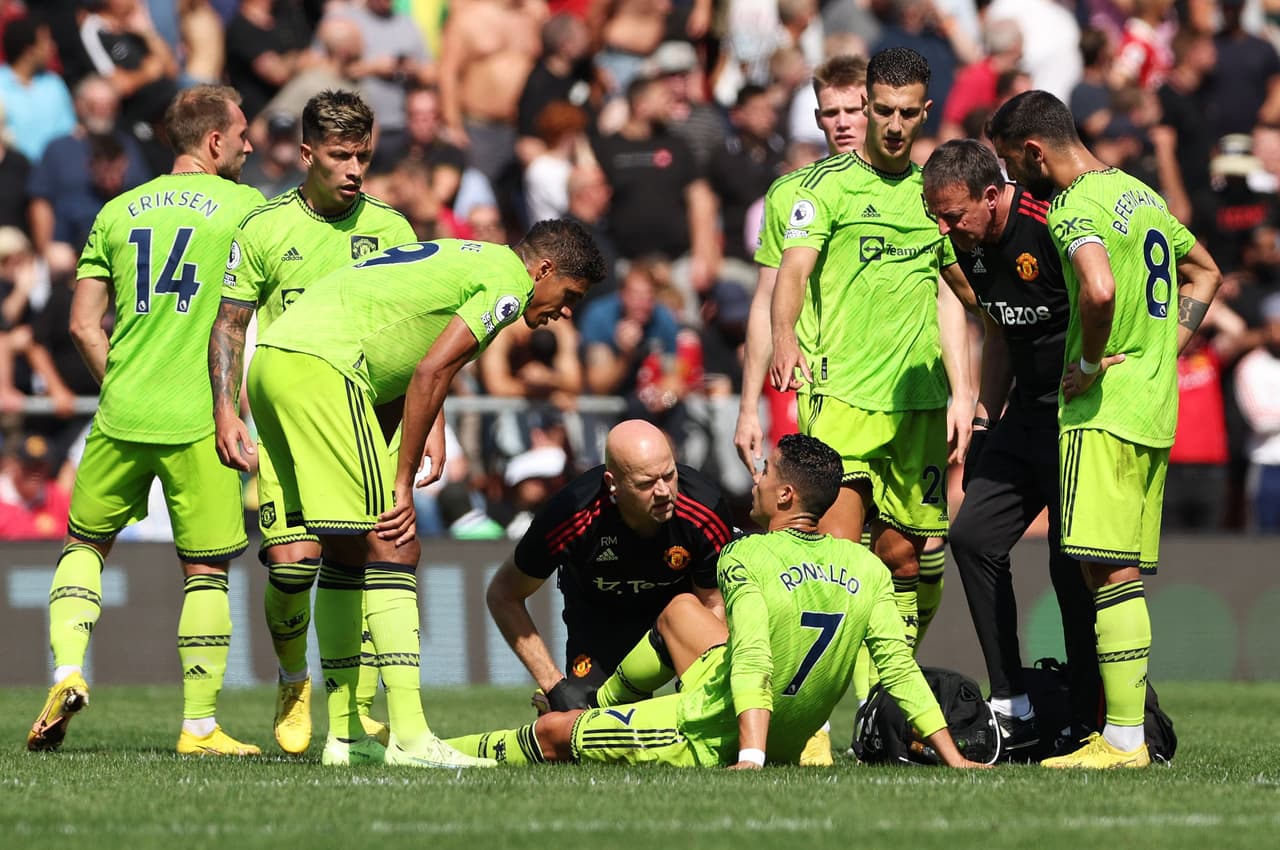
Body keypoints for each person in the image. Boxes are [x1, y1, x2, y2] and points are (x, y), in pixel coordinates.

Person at [245, 219, 605, 768]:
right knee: (396, 543)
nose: (565, 311)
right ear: (545, 271)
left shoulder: (466, 255)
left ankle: (345, 737)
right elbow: (432, 371)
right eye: (569, 296)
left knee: (345, 550)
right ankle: (411, 740)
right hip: (327, 369)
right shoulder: (509, 283)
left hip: (274, 361)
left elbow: (402, 357)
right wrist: (401, 482)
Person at [444, 433, 989, 770]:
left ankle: (453, 751)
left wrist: (749, 756)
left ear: (783, 496)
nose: (754, 477)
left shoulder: (744, 556)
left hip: (724, 727)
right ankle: (597, 701)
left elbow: (750, 657)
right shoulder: (869, 569)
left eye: (765, 471)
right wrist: (954, 757)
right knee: (681, 611)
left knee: (554, 734)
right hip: (789, 730)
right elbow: (899, 669)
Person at [987, 89, 1222, 768]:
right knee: (1113, 574)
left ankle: (1123, 741)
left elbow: (1097, 289)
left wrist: (1088, 363)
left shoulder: (1073, 205)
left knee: (1107, 574)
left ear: (1034, 151)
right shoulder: (1137, 193)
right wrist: (1164, 348)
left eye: (1012, 163)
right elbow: (1205, 270)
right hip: (1152, 405)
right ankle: (1122, 735)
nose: (1013, 177)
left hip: (1104, 410)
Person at [27, 84, 264, 756]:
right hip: (204, 420)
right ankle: (198, 726)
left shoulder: (117, 210)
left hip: (121, 413)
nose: (248, 142)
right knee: (207, 572)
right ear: (214, 141)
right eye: (241, 132)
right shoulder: (249, 212)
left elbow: (80, 325)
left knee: (84, 548)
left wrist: (126, 384)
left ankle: (68, 671)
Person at [209, 89, 417, 757]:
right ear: (305, 155)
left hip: (367, 420)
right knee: (294, 566)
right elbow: (231, 324)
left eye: (363, 156)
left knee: (360, 554)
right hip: (289, 425)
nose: (355, 169)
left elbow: (420, 335)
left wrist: (428, 425)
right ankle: (294, 679)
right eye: (339, 156)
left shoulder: (390, 229)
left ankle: (353, 706)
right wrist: (225, 407)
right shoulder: (265, 228)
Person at [769, 47, 977, 677]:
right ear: (867, 106)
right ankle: (819, 714)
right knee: (838, 557)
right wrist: (785, 337)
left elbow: (956, 294)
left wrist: (965, 389)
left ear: (924, 112)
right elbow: (793, 272)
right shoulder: (823, 189)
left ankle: (886, 702)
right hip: (841, 400)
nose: (891, 124)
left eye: (905, 112)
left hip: (915, 407)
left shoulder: (932, 195)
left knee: (903, 561)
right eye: (881, 110)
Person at [921, 139, 1099, 756]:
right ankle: (1011, 701)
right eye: (935, 216)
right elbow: (999, 327)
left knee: (1068, 564)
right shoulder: (964, 247)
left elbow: (1107, 297)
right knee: (971, 536)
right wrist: (984, 412)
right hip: (1021, 416)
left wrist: (1101, 365)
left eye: (953, 215)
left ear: (992, 196)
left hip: (1079, 418)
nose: (943, 228)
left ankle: (1091, 714)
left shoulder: (1052, 227)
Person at [484, 418, 734, 712]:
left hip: (679, 618)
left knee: (710, 712)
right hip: (600, 621)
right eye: (646, 483)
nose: (664, 491)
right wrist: (554, 685)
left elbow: (713, 604)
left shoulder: (705, 509)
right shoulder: (570, 515)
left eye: (669, 475)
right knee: (583, 726)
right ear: (612, 484)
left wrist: (702, 675)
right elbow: (503, 595)